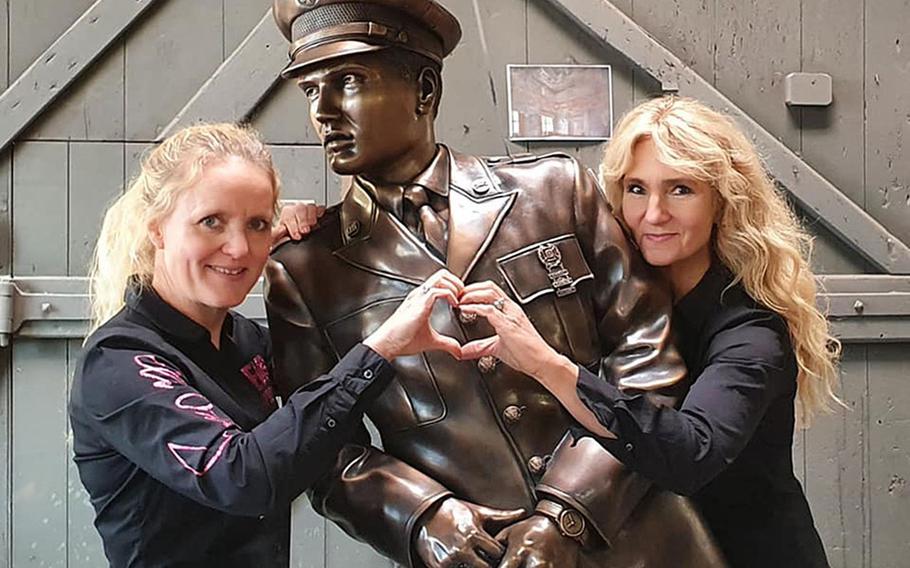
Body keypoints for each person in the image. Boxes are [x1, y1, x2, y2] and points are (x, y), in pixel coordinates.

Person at [266, 1, 726, 566]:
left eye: (349, 81)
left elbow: (647, 360)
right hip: (477, 555)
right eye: (311, 91)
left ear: (425, 90)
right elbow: (322, 445)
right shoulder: (305, 270)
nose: (325, 111)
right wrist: (424, 517)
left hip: (645, 541)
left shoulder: (556, 192)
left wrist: (567, 513)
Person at [458, 95, 839, 568]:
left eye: (680, 190)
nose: (653, 214)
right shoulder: (617, 303)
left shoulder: (751, 329)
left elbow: (691, 452)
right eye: (637, 189)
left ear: (722, 200)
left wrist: (546, 364)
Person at [69, 122, 465, 568]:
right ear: (157, 228)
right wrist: (383, 348)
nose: (238, 248)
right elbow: (243, 476)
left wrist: (311, 249)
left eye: (256, 224)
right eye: (211, 222)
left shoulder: (245, 342)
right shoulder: (119, 362)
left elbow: (317, 425)